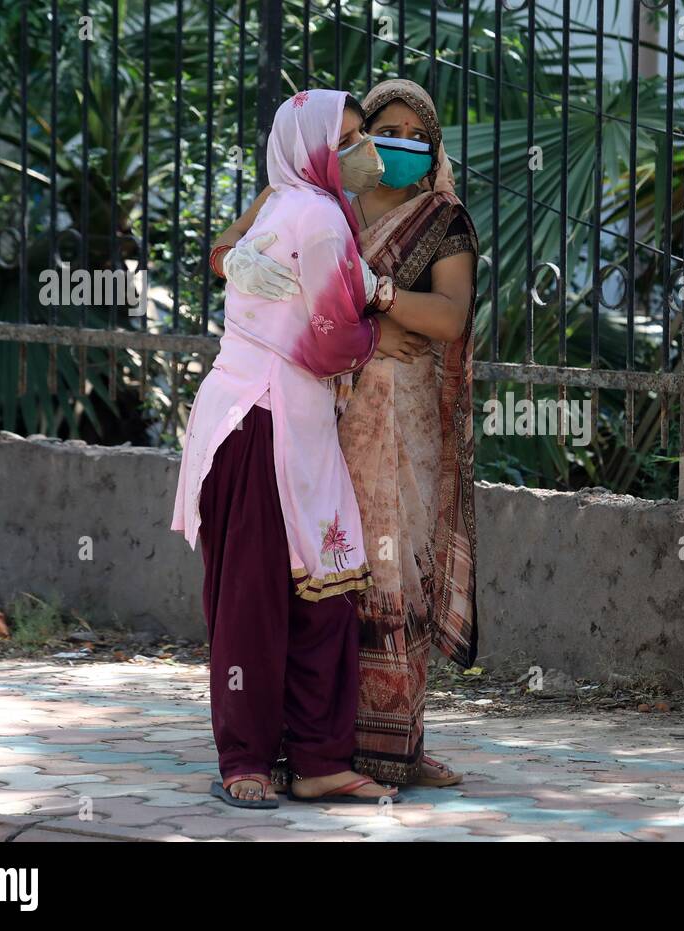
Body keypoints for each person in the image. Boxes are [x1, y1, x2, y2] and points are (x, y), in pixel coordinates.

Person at [212, 78, 479, 789]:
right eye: (375, 131)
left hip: (401, 415)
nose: (390, 147)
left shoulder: (442, 220)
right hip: (320, 413)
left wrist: (382, 306)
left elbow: (450, 317)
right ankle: (316, 746)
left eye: (412, 136)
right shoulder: (319, 197)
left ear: (434, 145)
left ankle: (396, 743)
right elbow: (228, 251)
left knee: (395, 570)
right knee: (330, 573)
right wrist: (240, 262)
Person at [172, 88, 423, 807]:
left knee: (316, 589)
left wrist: (366, 299)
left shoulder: (300, 207)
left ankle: (307, 757)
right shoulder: (313, 215)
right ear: (308, 149)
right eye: (343, 139)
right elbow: (327, 339)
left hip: (285, 422)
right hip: (260, 420)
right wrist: (379, 331)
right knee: (267, 596)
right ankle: (253, 759)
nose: (359, 151)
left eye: (356, 136)